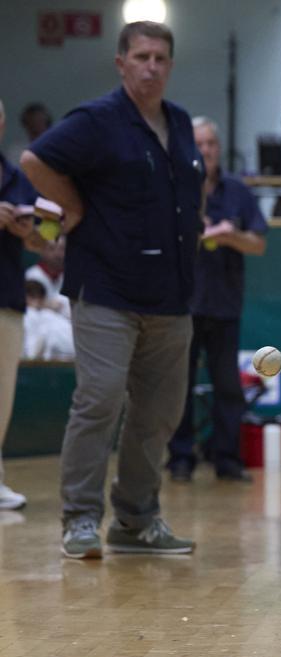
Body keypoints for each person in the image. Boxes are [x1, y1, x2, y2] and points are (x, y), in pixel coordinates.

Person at [21, 21, 201, 559]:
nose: (151, 66)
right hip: (105, 288)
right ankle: (79, 519)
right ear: (121, 63)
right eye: (141, 56)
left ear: (170, 65)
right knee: (98, 399)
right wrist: (71, 208)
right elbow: (35, 161)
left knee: (159, 413)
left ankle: (137, 520)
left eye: (160, 58)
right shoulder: (97, 120)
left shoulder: (182, 123)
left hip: (171, 295)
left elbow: (188, 198)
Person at [166, 117, 268, 483]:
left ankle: (227, 459)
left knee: (228, 385)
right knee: (180, 384)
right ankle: (180, 458)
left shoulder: (238, 192)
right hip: (183, 304)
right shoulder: (175, 186)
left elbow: (258, 244)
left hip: (225, 304)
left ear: (218, 148)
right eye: (199, 143)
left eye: (211, 143)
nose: (205, 150)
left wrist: (229, 236)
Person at [0, 98, 43, 511]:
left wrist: (30, 231)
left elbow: (47, 233)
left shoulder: (17, 177)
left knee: (2, 395)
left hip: (7, 297)